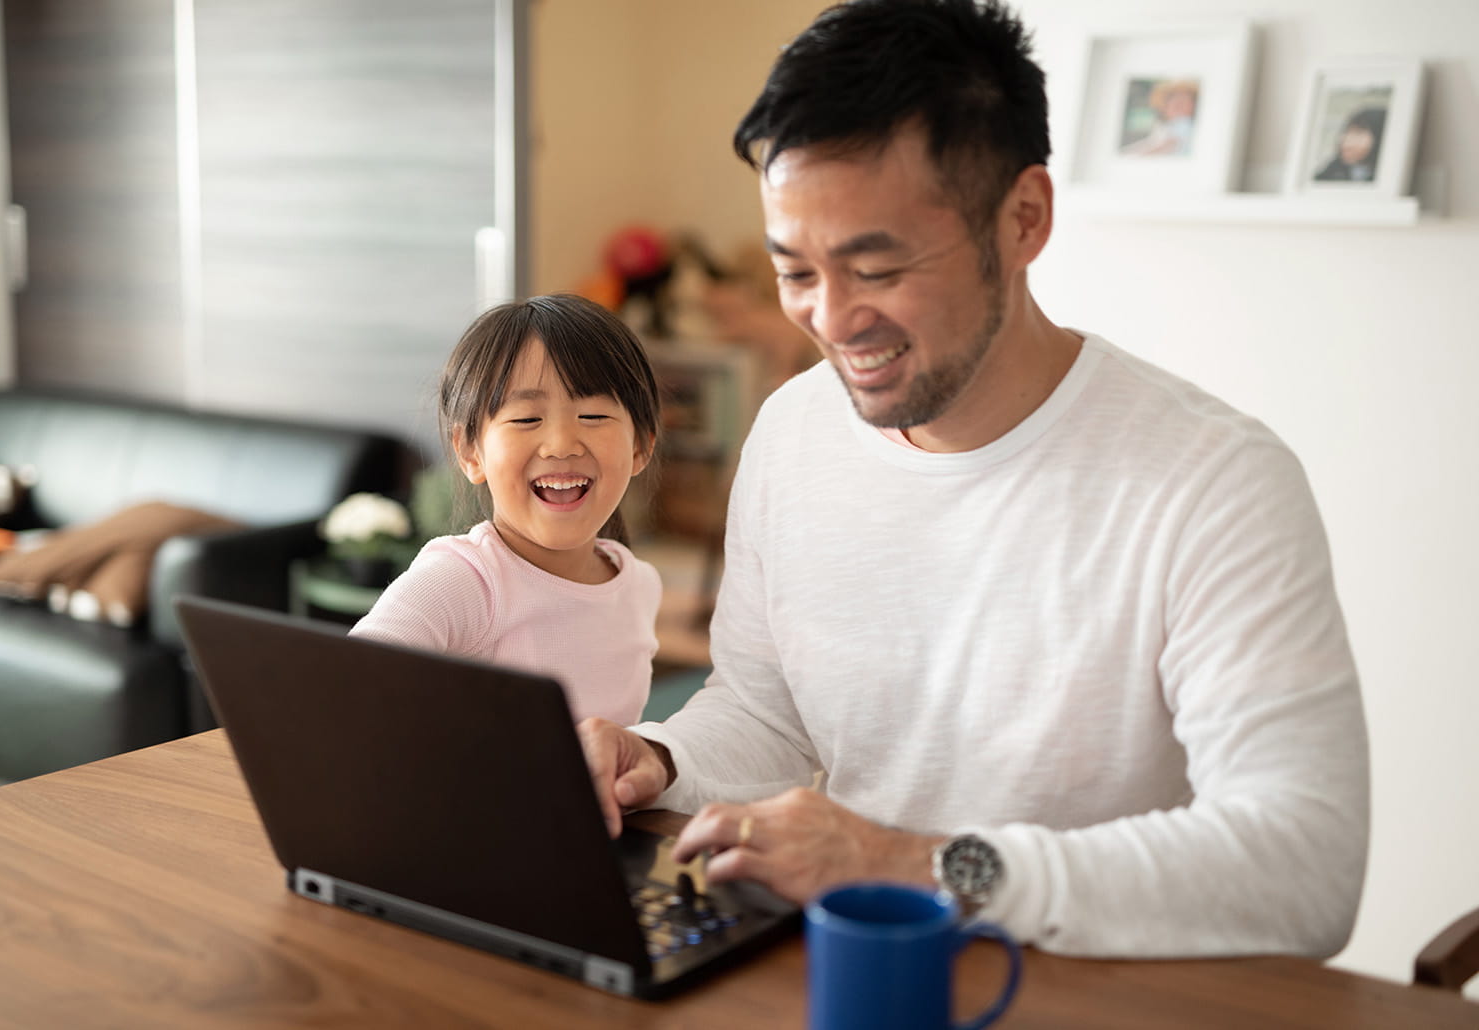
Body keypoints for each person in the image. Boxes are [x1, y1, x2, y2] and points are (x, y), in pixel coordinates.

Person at [578, 0, 1368, 959]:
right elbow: (764, 714)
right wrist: (657, 758)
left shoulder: (1214, 485)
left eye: (877, 266)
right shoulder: (794, 433)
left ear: (1023, 219)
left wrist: (915, 865)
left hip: (1095, 993)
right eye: (797, 271)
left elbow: (1305, 866)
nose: (831, 319)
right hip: (862, 969)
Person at [352, 294, 664, 726]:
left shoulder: (640, 585)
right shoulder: (465, 580)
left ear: (641, 445)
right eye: (526, 419)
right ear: (470, 452)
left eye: (592, 415)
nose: (561, 445)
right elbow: (346, 686)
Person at [1315, 106, 1385, 182]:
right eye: (1346, 132)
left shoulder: (1385, 176)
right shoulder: (1334, 170)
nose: (1345, 139)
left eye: (1358, 133)